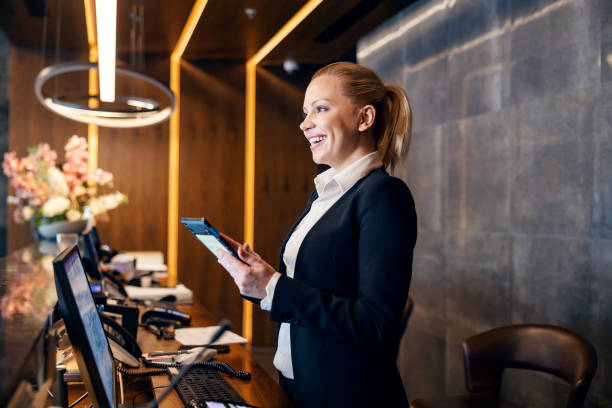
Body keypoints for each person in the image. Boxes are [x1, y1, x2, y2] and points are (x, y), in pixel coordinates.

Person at [217, 62, 417, 407]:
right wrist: (261, 278)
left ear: (364, 118)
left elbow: (376, 323)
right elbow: (312, 286)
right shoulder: (326, 193)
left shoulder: (384, 196)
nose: (305, 123)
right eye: (305, 112)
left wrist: (274, 287)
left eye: (320, 109)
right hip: (296, 383)